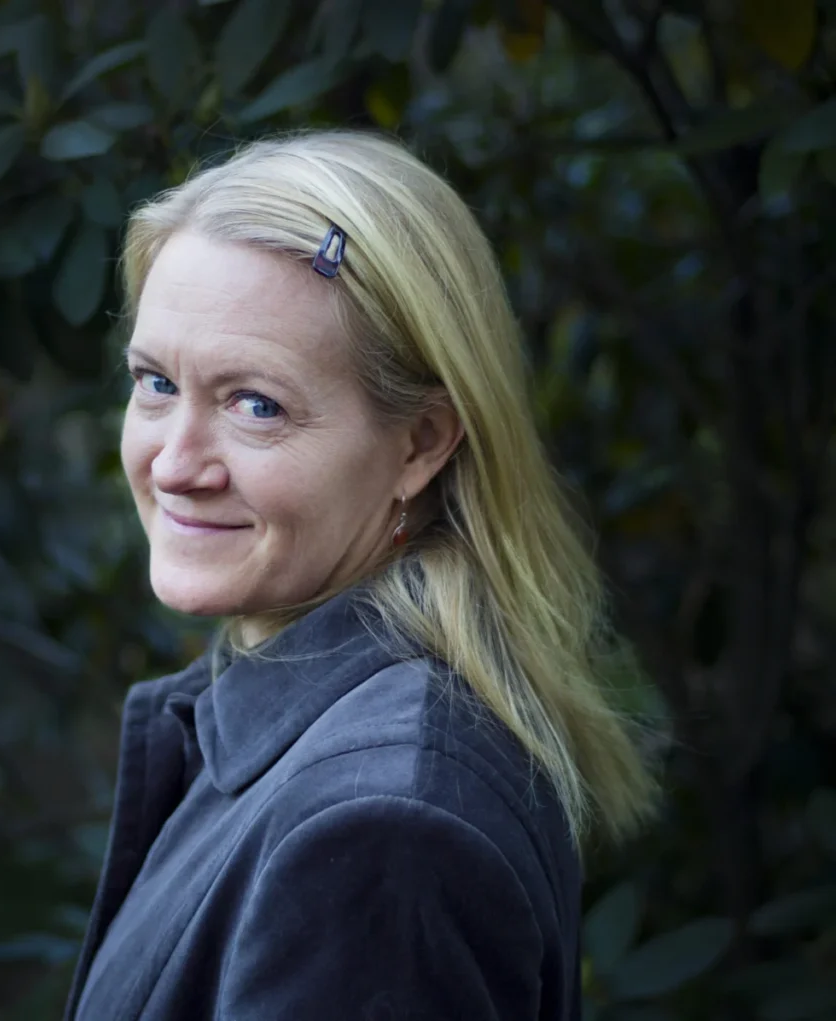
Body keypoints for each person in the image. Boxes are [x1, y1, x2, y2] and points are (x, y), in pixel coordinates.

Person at [63, 130, 658, 1021]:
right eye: (154, 383)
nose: (175, 463)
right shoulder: (323, 746)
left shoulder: (380, 829)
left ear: (421, 442)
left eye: (255, 404)